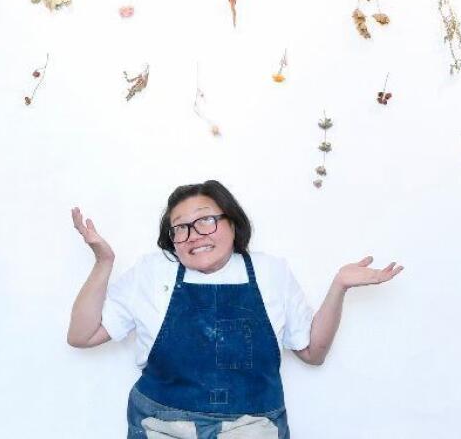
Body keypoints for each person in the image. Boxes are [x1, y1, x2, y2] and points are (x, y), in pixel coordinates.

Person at [68, 180, 403, 439]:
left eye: (206, 221)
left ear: (233, 222)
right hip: (162, 426)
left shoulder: (272, 272)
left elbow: (313, 353)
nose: (193, 235)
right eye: (180, 227)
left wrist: (339, 286)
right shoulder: (152, 271)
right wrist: (103, 261)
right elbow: (82, 336)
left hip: (252, 428)